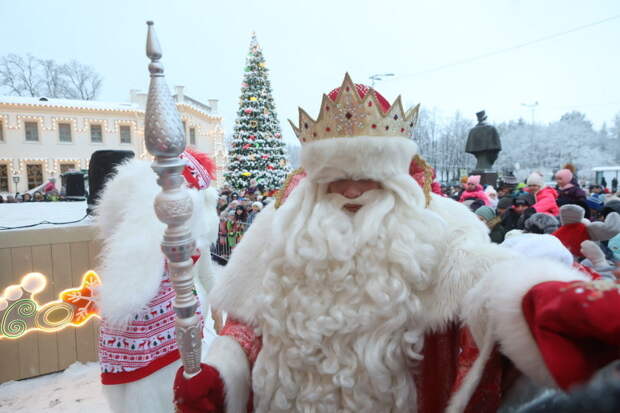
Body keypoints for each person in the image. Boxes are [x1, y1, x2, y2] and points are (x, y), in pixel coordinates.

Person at [173, 75, 620, 413]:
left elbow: (490, 282)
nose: (351, 192)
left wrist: (537, 299)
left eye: (366, 178)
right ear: (314, 179)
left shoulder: (439, 222)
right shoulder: (280, 226)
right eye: (336, 181)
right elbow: (246, 329)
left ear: (395, 176)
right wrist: (219, 373)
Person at [94, 148, 219, 413]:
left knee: (172, 390)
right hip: (148, 327)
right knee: (151, 391)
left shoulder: (193, 228)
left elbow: (206, 272)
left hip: (181, 324)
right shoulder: (141, 217)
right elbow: (126, 289)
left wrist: (217, 308)